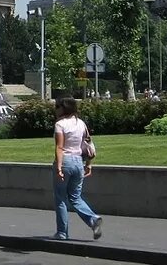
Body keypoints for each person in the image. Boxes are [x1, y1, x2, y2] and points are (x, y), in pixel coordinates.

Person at [53, 97, 103, 241]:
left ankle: (62, 233)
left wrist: (59, 167)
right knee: (75, 197)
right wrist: (88, 164)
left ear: (64, 108)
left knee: (61, 198)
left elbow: (60, 147)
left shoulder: (60, 124)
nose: (55, 109)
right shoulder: (81, 123)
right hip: (78, 162)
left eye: (57, 106)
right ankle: (93, 219)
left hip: (66, 161)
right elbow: (88, 144)